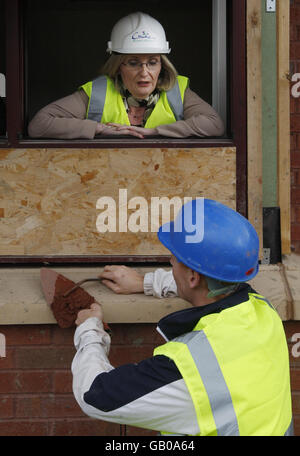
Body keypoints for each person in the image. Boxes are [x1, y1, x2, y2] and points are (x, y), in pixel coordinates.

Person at [71, 199, 293, 436]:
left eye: (174, 258)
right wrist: (145, 283)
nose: (170, 261)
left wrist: (89, 332)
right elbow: (214, 284)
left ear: (193, 277)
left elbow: (94, 396)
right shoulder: (263, 312)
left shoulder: (189, 370)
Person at [28, 12, 224, 140]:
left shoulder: (177, 90)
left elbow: (215, 125)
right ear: (118, 66)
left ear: (162, 66)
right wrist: (98, 129)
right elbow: (39, 125)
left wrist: (155, 132)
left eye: (153, 62)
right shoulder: (98, 92)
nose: (144, 72)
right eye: (133, 62)